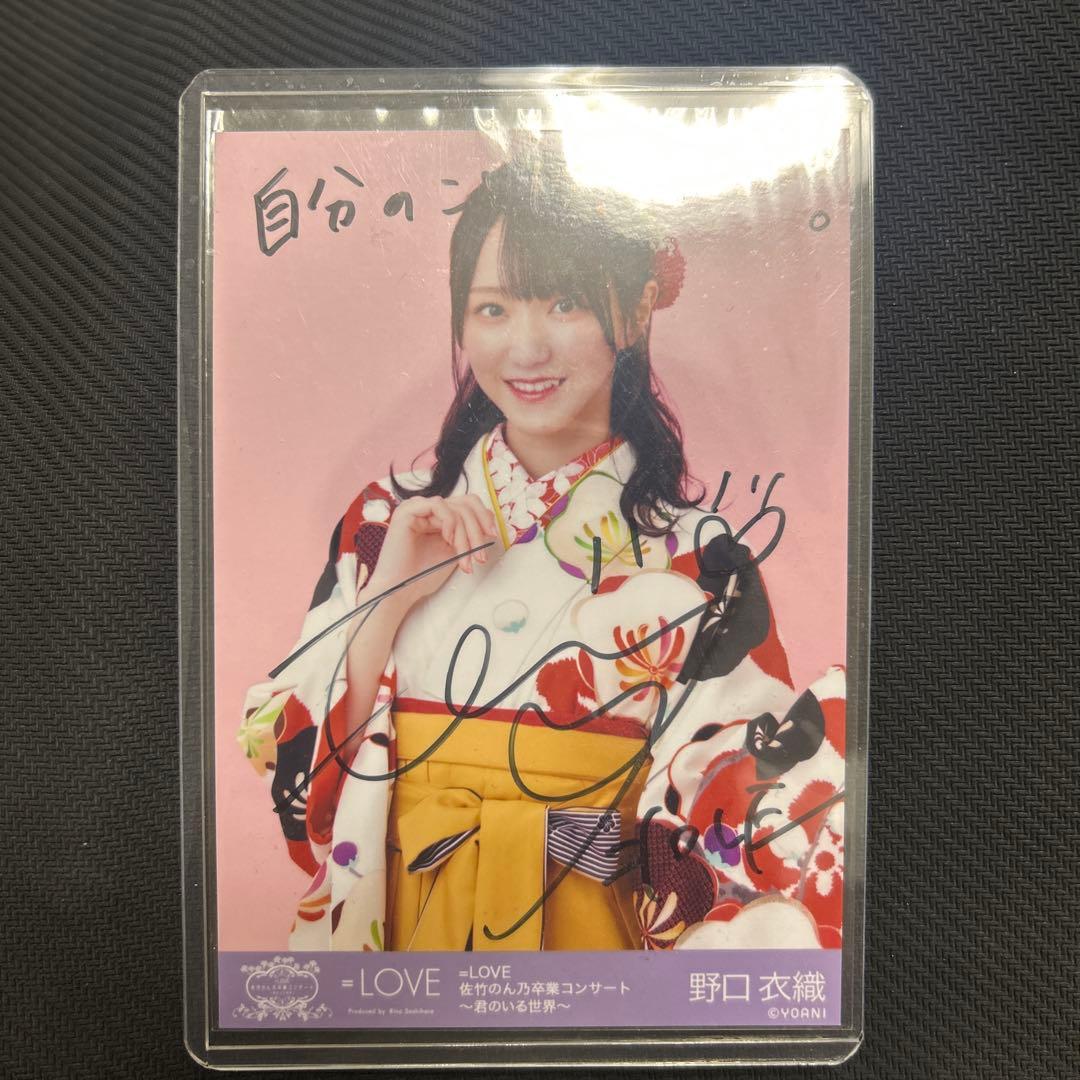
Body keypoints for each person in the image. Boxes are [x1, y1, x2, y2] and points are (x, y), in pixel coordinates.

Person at [238, 148, 846, 953]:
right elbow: (287, 757)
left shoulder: (700, 559)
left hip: (592, 936)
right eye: (492, 309)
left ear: (634, 311)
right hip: (406, 930)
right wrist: (386, 603)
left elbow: (739, 801)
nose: (525, 349)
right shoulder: (387, 521)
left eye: (564, 303)